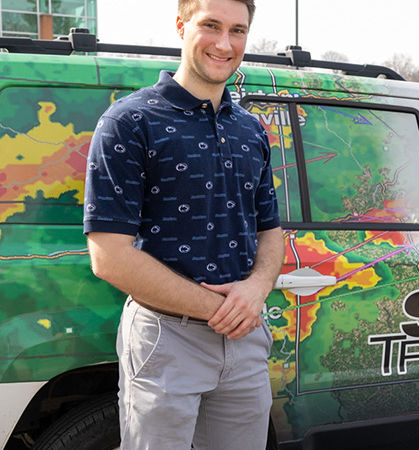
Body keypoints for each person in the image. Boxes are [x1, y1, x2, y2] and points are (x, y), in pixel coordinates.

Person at [83, 0, 284, 447]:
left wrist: (254, 291)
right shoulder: (130, 121)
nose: (225, 43)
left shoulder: (251, 129)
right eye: (210, 26)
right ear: (180, 25)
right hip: (166, 339)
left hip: (246, 339)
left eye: (238, 30)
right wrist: (222, 310)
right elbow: (108, 256)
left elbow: (270, 229)